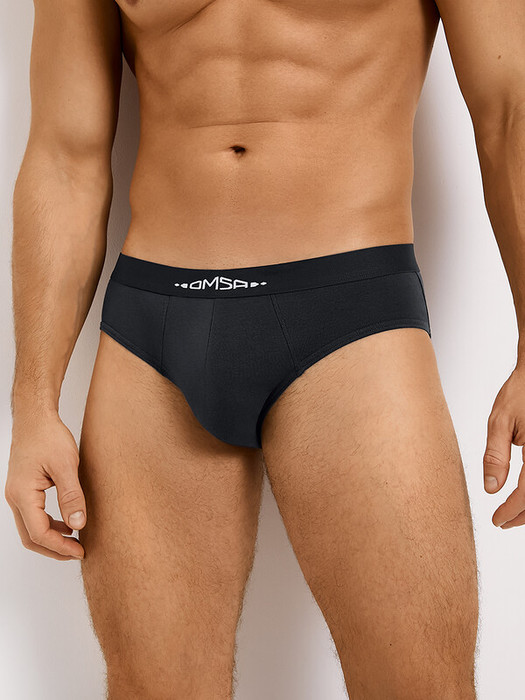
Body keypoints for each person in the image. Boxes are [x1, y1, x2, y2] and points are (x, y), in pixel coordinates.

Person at [5, 0, 525, 697]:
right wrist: (33, 402)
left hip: (349, 313)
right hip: (152, 326)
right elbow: (64, 154)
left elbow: (510, 111)